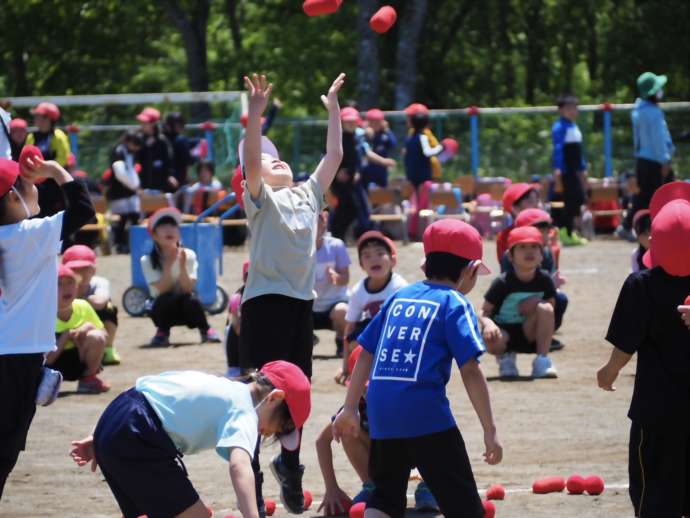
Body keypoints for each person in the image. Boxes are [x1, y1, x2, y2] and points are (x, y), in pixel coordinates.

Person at [333, 219, 502, 518]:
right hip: (427, 418)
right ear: (471, 270)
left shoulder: (399, 297)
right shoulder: (454, 302)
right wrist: (489, 429)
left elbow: (365, 355)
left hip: (382, 415)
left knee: (384, 499)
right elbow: (471, 371)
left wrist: (350, 408)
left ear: (426, 266)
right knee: (463, 505)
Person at [239, 72, 344, 513]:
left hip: (300, 306)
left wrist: (334, 109)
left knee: (297, 391)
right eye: (268, 160)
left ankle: (290, 463)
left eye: (280, 159)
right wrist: (256, 116)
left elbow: (334, 154)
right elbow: (250, 157)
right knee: (260, 391)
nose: (275, 161)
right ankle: (256, 469)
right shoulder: (259, 199)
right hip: (263, 305)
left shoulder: (308, 194)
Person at [70, 360, 311, 518]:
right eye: (282, 426)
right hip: (139, 439)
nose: (271, 434)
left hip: (117, 420)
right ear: (274, 399)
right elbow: (240, 466)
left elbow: (148, 391)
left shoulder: (219, 386)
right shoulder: (245, 412)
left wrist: (100, 434)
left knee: (148, 512)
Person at [0, 156, 94, 500]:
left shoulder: (20, 235)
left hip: (10, 354)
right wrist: (56, 171)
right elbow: (83, 209)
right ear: (12, 198)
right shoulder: (30, 234)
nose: (37, 186)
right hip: (16, 359)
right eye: (28, 183)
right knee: (4, 452)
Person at [597, 185, 690, 518]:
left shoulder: (641, 285)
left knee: (652, 485)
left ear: (654, 241)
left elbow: (626, 342)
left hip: (656, 410)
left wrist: (609, 371)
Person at [317, 346, 442, 515]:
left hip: (418, 453)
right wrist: (332, 487)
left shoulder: (409, 401)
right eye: (365, 388)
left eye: (377, 385)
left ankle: (430, 486)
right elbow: (321, 441)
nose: (371, 393)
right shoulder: (354, 410)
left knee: (430, 426)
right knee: (347, 430)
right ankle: (373, 486)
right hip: (387, 457)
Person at [481, 226, 559, 379]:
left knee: (546, 309)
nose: (529, 251)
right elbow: (483, 311)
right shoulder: (502, 282)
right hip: (503, 335)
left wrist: (536, 302)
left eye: (534, 247)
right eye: (522, 247)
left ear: (542, 255)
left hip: (528, 331)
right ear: (510, 256)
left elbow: (551, 307)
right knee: (490, 337)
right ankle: (505, 358)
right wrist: (489, 325)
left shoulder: (544, 280)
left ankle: (542, 360)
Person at [141, 207, 222, 346]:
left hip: (185, 308)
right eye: (163, 226)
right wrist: (168, 265)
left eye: (173, 226)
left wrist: (182, 265)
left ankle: (206, 330)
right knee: (164, 299)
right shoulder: (147, 260)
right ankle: (162, 332)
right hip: (163, 308)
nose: (169, 230)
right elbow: (162, 290)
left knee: (191, 299)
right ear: (154, 235)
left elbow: (187, 288)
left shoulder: (188, 255)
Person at [339, 230, 407, 382]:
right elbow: (349, 328)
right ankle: (358, 373)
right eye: (367, 255)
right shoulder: (358, 291)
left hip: (394, 330)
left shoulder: (400, 287)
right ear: (362, 265)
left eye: (380, 253)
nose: (373, 259)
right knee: (356, 341)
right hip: (370, 330)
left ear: (393, 260)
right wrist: (344, 367)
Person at [618, 71, 675, 241]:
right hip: (656, 161)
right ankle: (669, 226)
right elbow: (658, 140)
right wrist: (665, 160)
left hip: (642, 161)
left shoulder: (639, 110)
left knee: (642, 196)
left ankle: (628, 225)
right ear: (654, 92)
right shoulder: (654, 113)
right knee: (667, 195)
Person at [501, 208, 569, 335]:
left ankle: (545, 335)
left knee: (560, 298)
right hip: (515, 300)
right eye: (538, 230)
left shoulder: (547, 252)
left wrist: (553, 285)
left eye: (546, 230)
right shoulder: (510, 255)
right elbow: (508, 287)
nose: (544, 234)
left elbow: (549, 279)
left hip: (538, 297)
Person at [47, 265, 109, 393]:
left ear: (77, 287)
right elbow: (47, 359)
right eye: (59, 284)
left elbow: (104, 336)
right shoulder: (43, 314)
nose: (66, 288)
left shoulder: (83, 305)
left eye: (70, 282)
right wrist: (66, 335)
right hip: (52, 367)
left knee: (96, 336)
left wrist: (88, 326)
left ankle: (88, 379)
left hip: (78, 360)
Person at [62, 244, 122, 366]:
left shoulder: (99, 282)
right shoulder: (60, 284)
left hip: (91, 320)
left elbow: (100, 303)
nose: (81, 274)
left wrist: (77, 300)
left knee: (109, 309)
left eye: (85, 269)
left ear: (93, 270)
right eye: (75, 269)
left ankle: (108, 348)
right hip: (65, 323)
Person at [329, 107, 382, 239]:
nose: (351, 124)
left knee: (354, 208)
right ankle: (336, 235)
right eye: (348, 122)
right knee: (346, 207)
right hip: (341, 181)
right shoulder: (337, 138)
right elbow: (329, 156)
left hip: (353, 180)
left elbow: (358, 158)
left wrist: (357, 171)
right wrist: (336, 172)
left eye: (353, 122)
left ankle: (341, 235)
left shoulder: (356, 137)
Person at [552, 94, 589, 246]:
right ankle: (563, 231)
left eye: (575, 107)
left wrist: (583, 167)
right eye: (569, 108)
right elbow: (559, 149)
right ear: (561, 110)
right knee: (570, 200)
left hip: (575, 169)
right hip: (567, 170)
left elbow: (578, 151)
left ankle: (569, 231)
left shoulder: (574, 126)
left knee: (577, 200)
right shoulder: (559, 127)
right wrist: (559, 169)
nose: (573, 111)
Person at [314, 209, 350, 358]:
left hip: (333, 304)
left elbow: (346, 279)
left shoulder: (336, 245)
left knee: (342, 311)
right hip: (309, 305)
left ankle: (341, 341)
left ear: (323, 225)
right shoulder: (296, 248)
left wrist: (336, 277)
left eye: (316, 223)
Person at [403, 103, 443, 239]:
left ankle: (412, 231)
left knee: (415, 205)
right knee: (423, 206)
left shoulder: (409, 138)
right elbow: (428, 152)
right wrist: (440, 148)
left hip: (411, 175)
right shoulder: (423, 136)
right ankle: (421, 233)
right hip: (423, 175)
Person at [26, 103, 72, 218]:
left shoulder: (58, 135)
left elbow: (63, 159)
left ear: (48, 119)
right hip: (37, 186)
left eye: (38, 116)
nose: (35, 119)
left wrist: (45, 172)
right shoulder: (32, 136)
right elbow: (26, 157)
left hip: (55, 187)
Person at [104, 130, 143, 253]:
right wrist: (133, 186)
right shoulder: (119, 151)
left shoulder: (130, 153)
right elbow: (120, 173)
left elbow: (131, 171)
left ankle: (133, 244)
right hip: (119, 193)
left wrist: (135, 186)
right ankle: (120, 245)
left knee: (134, 217)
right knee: (121, 220)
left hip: (130, 192)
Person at [495, 182, 540, 262]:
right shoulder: (504, 237)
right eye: (530, 201)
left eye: (537, 200)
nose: (537, 206)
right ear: (514, 208)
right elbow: (505, 267)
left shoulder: (546, 231)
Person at [136, 107, 177, 193]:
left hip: (160, 186)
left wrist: (170, 176)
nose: (142, 124)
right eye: (142, 122)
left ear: (153, 124)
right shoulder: (138, 139)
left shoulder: (162, 141)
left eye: (145, 122)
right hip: (142, 186)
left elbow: (169, 161)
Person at [361, 109, 397, 189]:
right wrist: (365, 132)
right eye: (373, 122)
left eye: (378, 122)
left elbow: (393, 144)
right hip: (368, 170)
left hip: (382, 170)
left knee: (382, 192)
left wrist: (387, 130)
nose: (375, 124)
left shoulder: (384, 134)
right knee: (370, 191)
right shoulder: (364, 134)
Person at [225, 259, 249, 377]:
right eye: (247, 275)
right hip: (237, 344)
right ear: (243, 278)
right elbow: (238, 329)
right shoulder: (238, 297)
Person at [163, 112, 199, 187]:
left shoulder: (162, 139)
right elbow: (188, 160)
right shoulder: (180, 140)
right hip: (178, 180)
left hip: (163, 179)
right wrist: (197, 157)